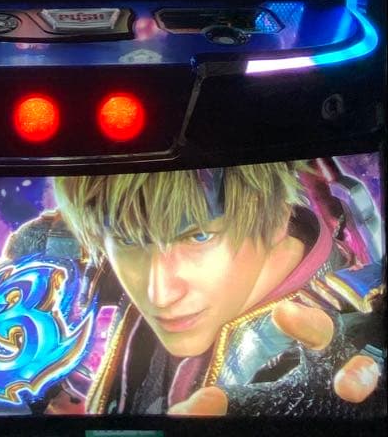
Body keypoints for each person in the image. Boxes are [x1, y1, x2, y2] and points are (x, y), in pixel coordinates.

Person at [54, 162, 384, 417]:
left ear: (275, 219)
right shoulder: (89, 273)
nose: (159, 296)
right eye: (127, 240)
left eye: (198, 236)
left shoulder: (364, 320)